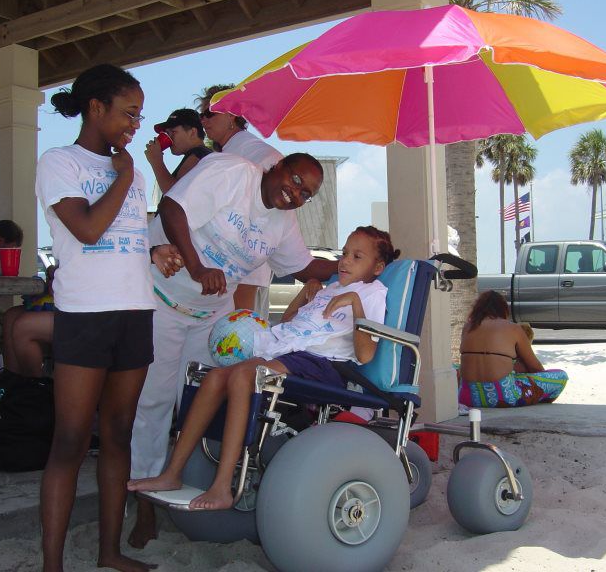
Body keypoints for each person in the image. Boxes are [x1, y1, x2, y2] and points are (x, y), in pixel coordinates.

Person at [128, 150, 338, 546]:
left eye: (306, 194)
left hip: (211, 316)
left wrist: (357, 264)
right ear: (277, 167)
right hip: (162, 298)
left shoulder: (282, 222)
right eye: (295, 181)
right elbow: (173, 209)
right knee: (153, 402)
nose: (296, 195)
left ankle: (189, 480)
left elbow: (304, 268)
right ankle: (144, 505)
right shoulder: (232, 173)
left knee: (201, 401)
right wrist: (195, 267)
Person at [128, 226, 398, 509]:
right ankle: (172, 473)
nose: (344, 261)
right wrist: (307, 291)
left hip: (324, 365)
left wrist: (354, 303)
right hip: (291, 352)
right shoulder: (330, 288)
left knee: (245, 376)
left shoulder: (372, 294)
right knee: (215, 377)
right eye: (344, 253)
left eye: (357, 257)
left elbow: (366, 354)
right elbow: (290, 323)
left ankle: (221, 487)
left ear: (377, 267)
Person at [35, 63, 181, 572]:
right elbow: (90, 230)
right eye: (128, 114)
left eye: (139, 115)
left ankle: (108, 553)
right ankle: (52, 563)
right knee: (71, 440)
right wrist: (123, 176)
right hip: (85, 315)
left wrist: (154, 250)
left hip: (135, 311)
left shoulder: (133, 174)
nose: (135, 125)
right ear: (96, 108)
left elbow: (125, 234)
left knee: (118, 432)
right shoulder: (59, 161)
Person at [197, 84, 283, 315]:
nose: (203, 121)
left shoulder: (260, 154)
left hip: (245, 267)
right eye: (201, 115)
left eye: (210, 113)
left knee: (236, 339)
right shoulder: (230, 153)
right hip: (223, 265)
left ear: (233, 114)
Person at [458, 290, 568, 408]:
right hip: (503, 397)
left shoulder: (467, 327)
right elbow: (535, 367)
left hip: (467, 397)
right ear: (503, 308)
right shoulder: (513, 328)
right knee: (561, 376)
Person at [144, 108, 211, 196]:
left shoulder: (199, 153)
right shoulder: (202, 153)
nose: (169, 136)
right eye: (167, 133)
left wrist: (156, 161)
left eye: (173, 132)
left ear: (192, 132)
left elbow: (175, 193)